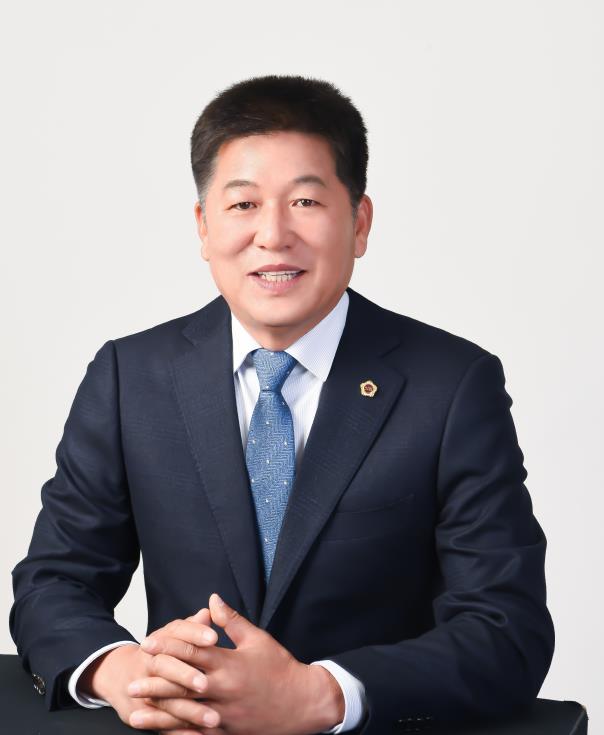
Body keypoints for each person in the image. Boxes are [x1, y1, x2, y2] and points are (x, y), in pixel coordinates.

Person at [10, 75, 555, 735]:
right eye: (243, 204)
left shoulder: (451, 385)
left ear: (359, 223)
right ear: (203, 226)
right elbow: (55, 581)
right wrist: (123, 671)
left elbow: (507, 629)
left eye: (305, 201)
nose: (272, 234)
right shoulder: (131, 376)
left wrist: (320, 694)